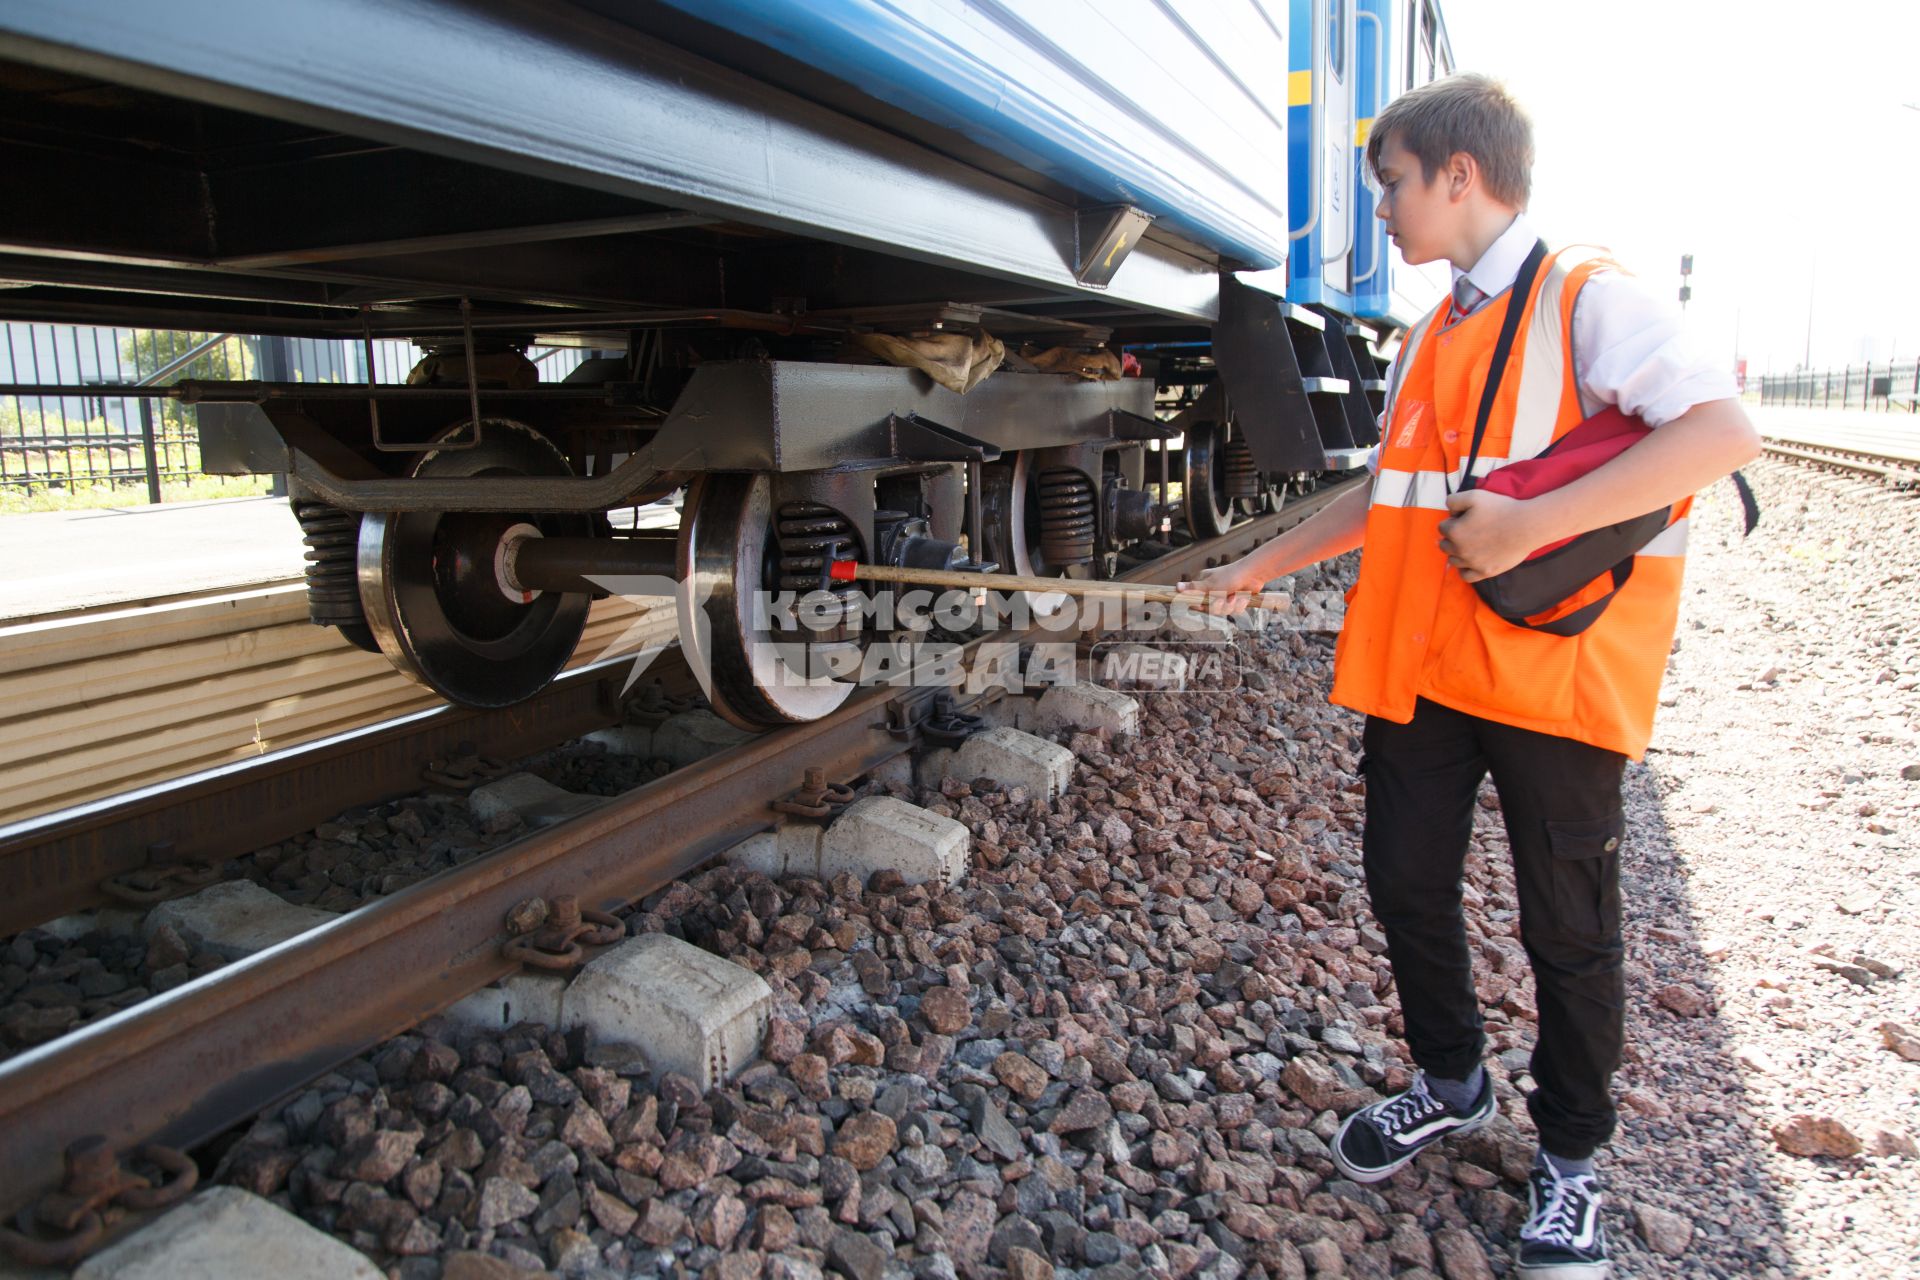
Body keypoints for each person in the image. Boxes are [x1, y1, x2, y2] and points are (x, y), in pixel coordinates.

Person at [1183, 74, 1760, 1278]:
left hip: (1554, 671)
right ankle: (1452, 1079)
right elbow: (1385, 496)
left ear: (1459, 174)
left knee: (1569, 926)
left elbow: (1720, 431)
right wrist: (1257, 564)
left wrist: (1518, 531)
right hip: (1432, 671)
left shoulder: (1586, 295)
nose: (1382, 209)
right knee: (1403, 881)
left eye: (1392, 182)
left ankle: (1573, 1163)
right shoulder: (1439, 331)